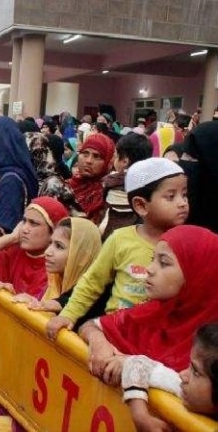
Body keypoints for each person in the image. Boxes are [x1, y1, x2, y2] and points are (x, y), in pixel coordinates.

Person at [0, 217, 102, 432]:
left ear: (82, 254)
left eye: (59, 246)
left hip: (57, 408)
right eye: (51, 244)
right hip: (27, 390)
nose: (48, 252)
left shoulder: (89, 305)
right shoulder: (54, 283)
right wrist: (6, 292)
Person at [78, 225, 218, 430]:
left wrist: (127, 363)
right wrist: (98, 343)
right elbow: (90, 326)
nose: (150, 269)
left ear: (199, 274)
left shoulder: (211, 344)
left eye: (164, 263)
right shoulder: (148, 313)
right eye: (153, 258)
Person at [46, 157, 188, 341]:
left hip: (158, 342)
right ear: (141, 205)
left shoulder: (187, 244)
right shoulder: (120, 239)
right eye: (171, 196)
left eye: (184, 194)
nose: (182, 203)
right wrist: (68, 314)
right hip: (115, 336)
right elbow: (92, 282)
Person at [98, 132, 152, 240]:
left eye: (116, 155)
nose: (113, 159)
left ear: (124, 161)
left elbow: (111, 220)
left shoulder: (115, 183)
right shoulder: (149, 183)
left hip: (113, 239)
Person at [66, 133, 114, 223]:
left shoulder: (109, 194)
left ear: (107, 162)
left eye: (96, 156)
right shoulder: (66, 187)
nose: (88, 161)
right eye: (85, 153)